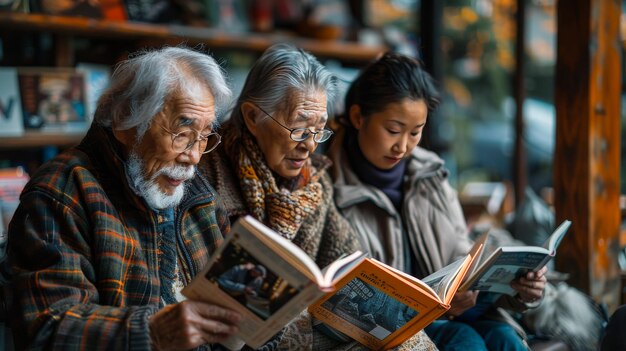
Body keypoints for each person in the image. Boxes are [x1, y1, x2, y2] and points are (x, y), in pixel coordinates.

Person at [4, 46, 251, 350]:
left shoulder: (199, 197)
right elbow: (46, 327)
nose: (194, 156)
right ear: (125, 120)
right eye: (181, 132)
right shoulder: (62, 192)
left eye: (204, 137)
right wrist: (151, 333)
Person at [200, 44, 436, 351]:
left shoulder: (313, 183)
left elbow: (348, 257)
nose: (309, 146)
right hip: (237, 339)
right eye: (299, 130)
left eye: (319, 131)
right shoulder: (207, 177)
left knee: (406, 337)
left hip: (309, 333)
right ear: (253, 116)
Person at [327, 52, 547, 351]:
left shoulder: (431, 173)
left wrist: (513, 290)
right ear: (357, 117)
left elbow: (459, 251)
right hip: (384, 333)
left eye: (415, 133)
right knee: (465, 340)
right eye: (393, 130)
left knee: (505, 338)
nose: (402, 146)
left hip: (449, 314)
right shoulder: (328, 185)